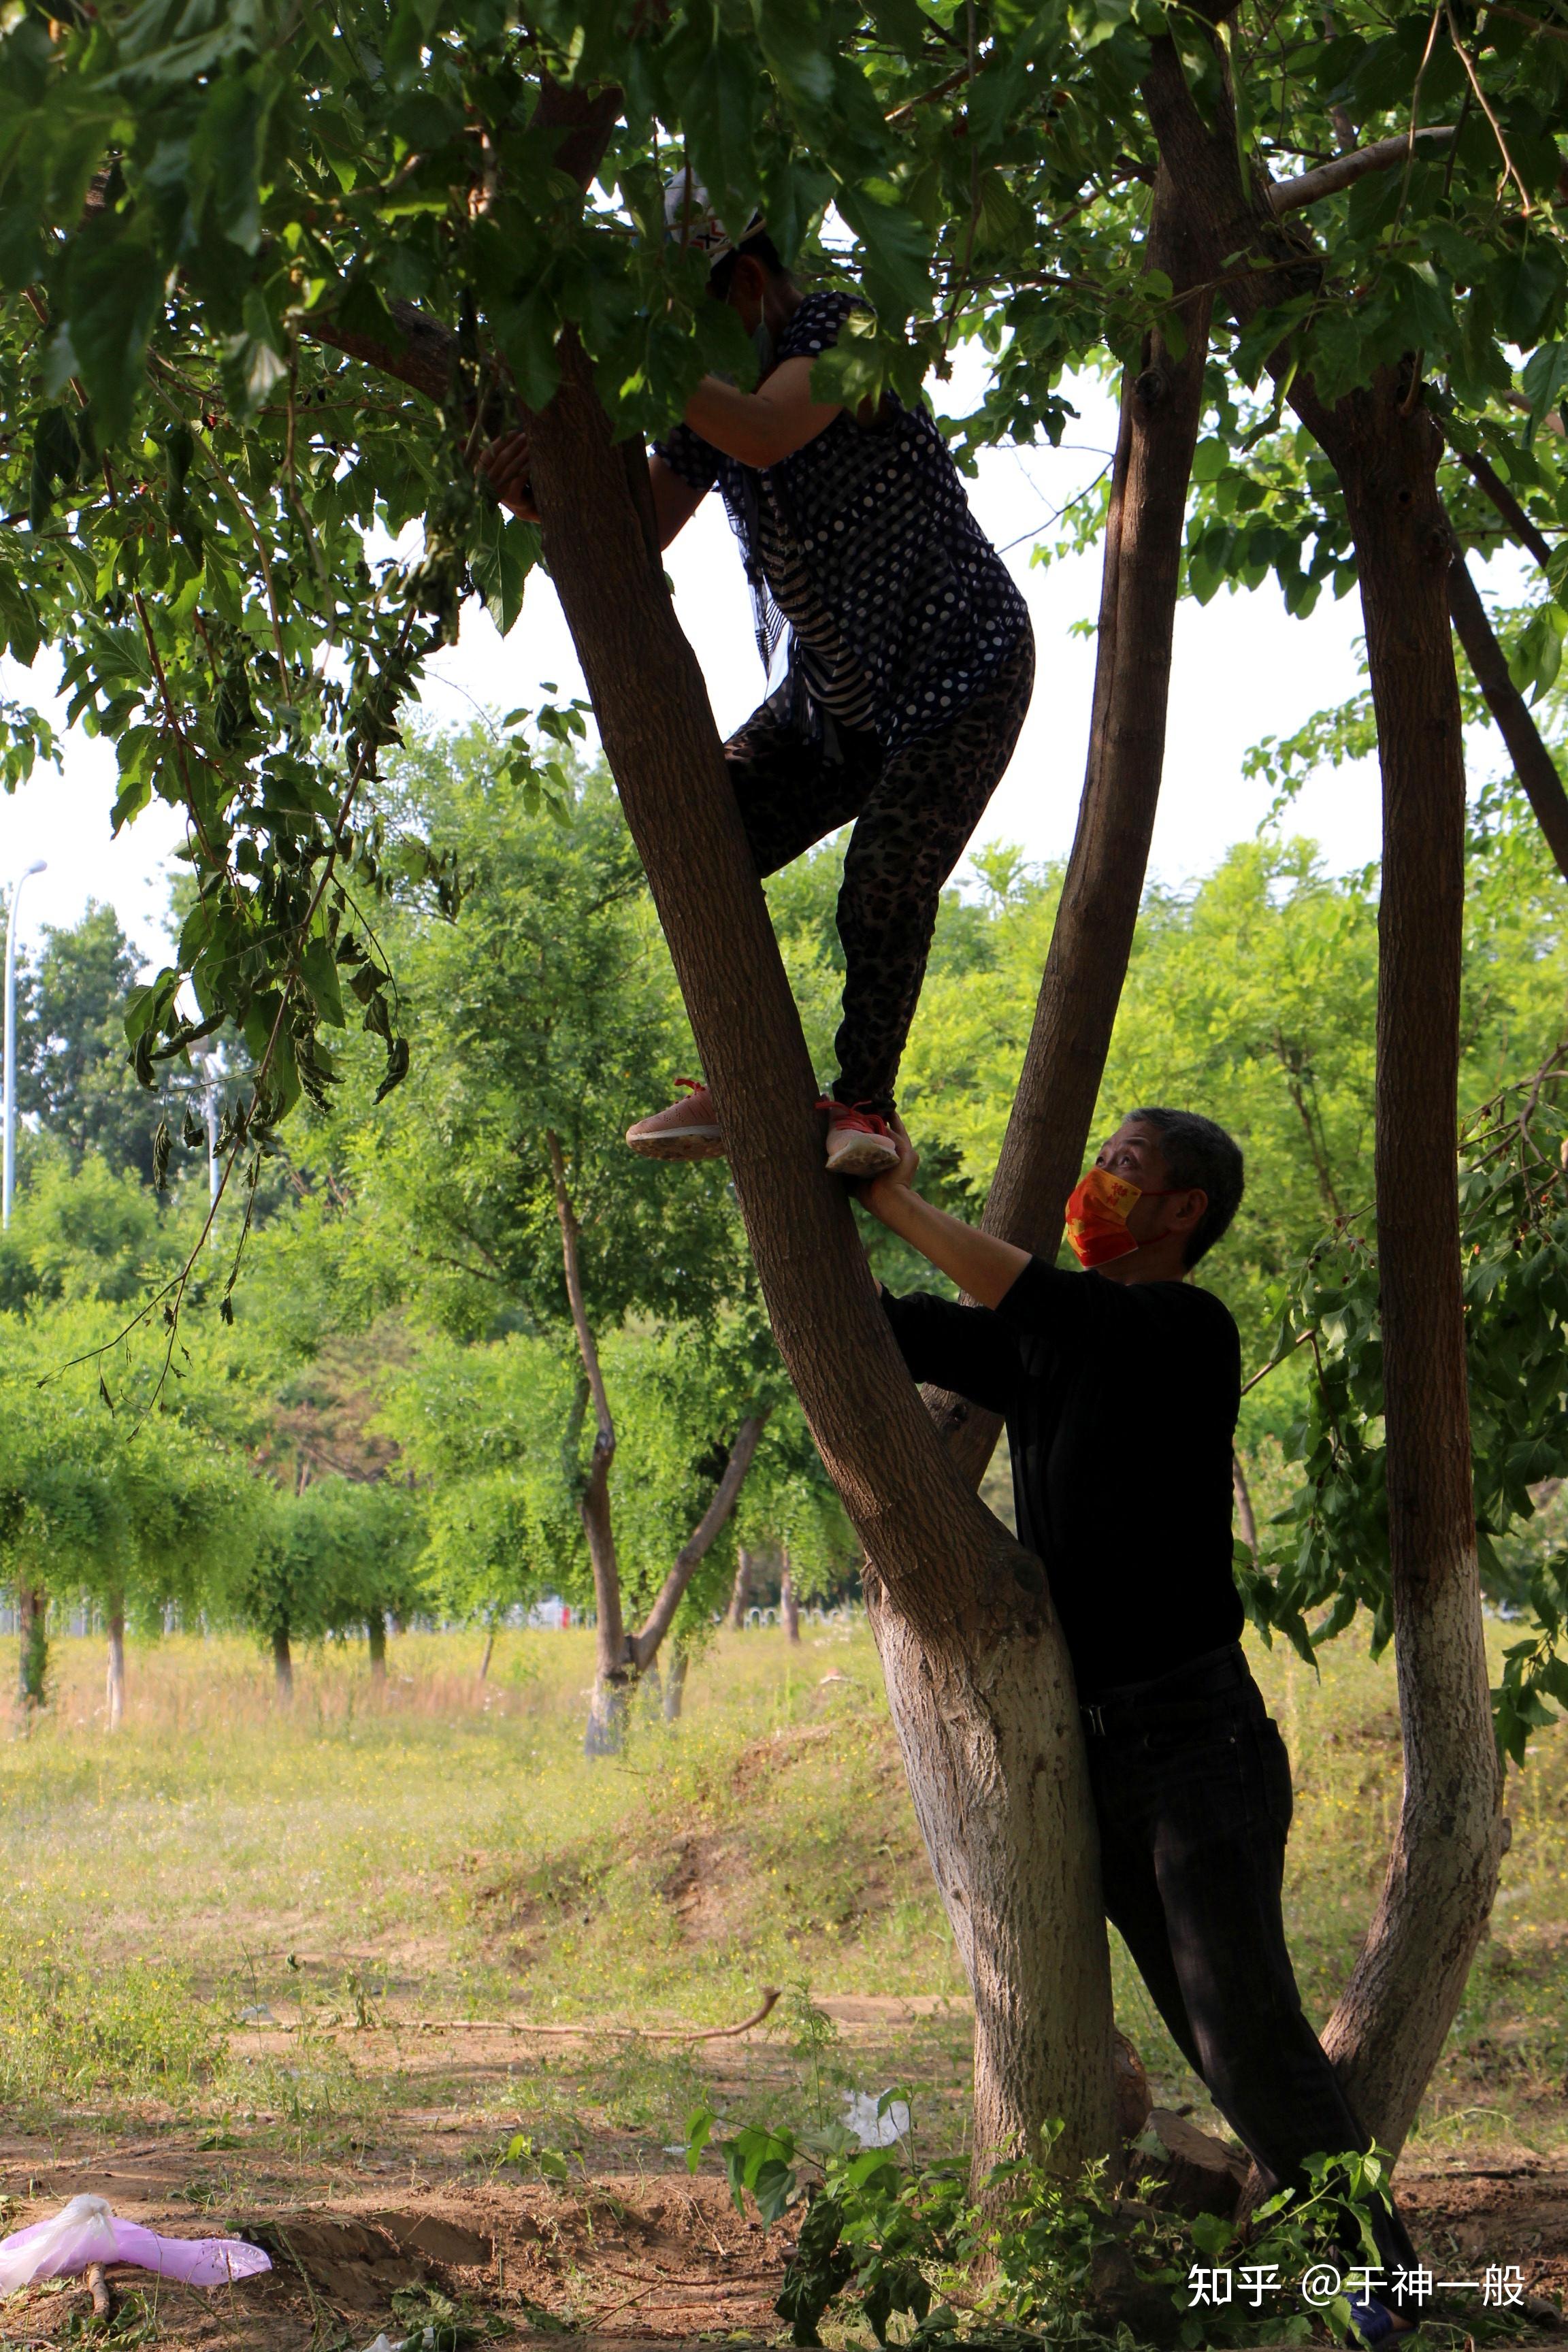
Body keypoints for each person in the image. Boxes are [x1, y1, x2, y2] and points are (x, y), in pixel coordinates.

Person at [860, 1105, 1419, 2348]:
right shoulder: (1052, 1349)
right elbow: (890, 1334)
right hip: (1101, 1757)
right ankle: (1344, 2271)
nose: (1093, 1178)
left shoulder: (1180, 1329)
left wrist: (895, 1197)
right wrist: (802, 1199)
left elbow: (1058, 1311)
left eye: (1122, 1166)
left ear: (1181, 1214)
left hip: (1194, 1747)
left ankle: (1388, 2286)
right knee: (1224, 2046)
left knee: (1250, 2032)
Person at [483, 172, 1034, 1179]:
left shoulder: (843, 332)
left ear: (743, 286)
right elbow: (636, 532)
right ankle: (750, 1086)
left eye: (679, 325)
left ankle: (865, 1107)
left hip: (963, 671)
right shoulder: (709, 410)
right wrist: (539, 492)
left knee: (882, 886)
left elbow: (768, 431)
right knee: (699, 820)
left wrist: (622, 350)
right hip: (837, 699)